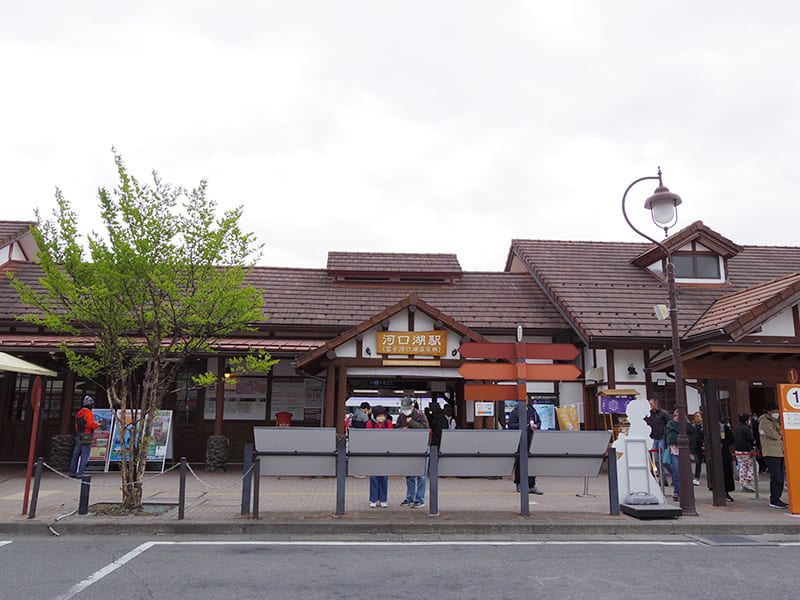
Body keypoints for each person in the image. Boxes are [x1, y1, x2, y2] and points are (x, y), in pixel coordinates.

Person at [397, 397, 429, 508]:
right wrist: (402, 430)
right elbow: (396, 429)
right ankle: (409, 498)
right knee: (409, 474)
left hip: (422, 447)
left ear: (413, 407)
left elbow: (425, 428)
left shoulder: (421, 415)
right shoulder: (401, 416)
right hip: (408, 447)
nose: (406, 410)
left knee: (421, 475)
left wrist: (412, 423)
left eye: (408, 408)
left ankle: (420, 499)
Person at [508, 401, 542, 495]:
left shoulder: (532, 411)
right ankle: (519, 484)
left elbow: (539, 422)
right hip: (520, 440)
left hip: (532, 439)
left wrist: (537, 426)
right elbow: (510, 425)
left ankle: (532, 485)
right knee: (520, 461)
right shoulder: (515, 411)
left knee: (532, 462)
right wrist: (522, 426)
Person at [663, 409, 697, 501]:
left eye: (679, 415)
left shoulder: (689, 427)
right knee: (677, 471)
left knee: (686, 473)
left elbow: (693, 438)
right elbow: (667, 437)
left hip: (685, 451)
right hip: (674, 450)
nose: (677, 417)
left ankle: (687, 492)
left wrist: (692, 451)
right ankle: (677, 491)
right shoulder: (670, 425)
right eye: (675, 415)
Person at [759, 403, 788, 509]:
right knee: (776, 477)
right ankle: (774, 499)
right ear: (769, 412)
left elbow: (782, 433)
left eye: (777, 411)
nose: (776, 413)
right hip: (771, 452)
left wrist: (779, 433)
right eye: (774, 411)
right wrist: (779, 433)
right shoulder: (764, 422)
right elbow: (775, 435)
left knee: (780, 476)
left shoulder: (775, 422)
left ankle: (778, 498)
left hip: (779, 452)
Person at [366, 405, 392, 508]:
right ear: (375, 415)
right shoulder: (369, 423)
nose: (382, 417)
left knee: (384, 477)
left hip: (385, 453)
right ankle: (373, 499)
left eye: (383, 415)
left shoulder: (388, 423)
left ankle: (383, 499)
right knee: (374, 477)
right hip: (374, 452)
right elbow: (368, 437)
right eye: (380, 415)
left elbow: (391, 437)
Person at [69, 396, 99, 477]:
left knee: (76, 454)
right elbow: (90, 425)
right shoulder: (89, 414)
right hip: (86, 435)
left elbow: (76, 425)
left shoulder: (79, 413)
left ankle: (72, 471)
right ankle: (81, 472)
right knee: (85, 455)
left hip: (78, 434)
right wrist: (97, 425)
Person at [645, 398, 672, 484]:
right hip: (655, 438)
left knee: (664, 460)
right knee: (656, 460)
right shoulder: (651, 414)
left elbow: (669, 425)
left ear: (656, 404)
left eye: (651, 404)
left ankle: (675, 475)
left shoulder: (664, 414)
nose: (650, 406)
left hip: (662, 438)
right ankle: (663, 479)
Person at [733, 413, 756, 492]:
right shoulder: (746, 428)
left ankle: (742, 483)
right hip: (746, 450)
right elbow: (750, 438)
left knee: (743, 466)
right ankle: (747, 482)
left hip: (737, 450)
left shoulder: (737, 428)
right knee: (754, 466)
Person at [693, 411, 704, 486]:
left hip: (703, 445)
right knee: (698, 462)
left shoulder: (704, 426)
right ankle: (696, 477)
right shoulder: (693, 426)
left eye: (698, 416)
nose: (697, 418)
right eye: (696, 416)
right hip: (696, 446)